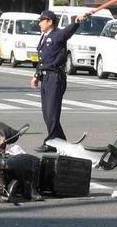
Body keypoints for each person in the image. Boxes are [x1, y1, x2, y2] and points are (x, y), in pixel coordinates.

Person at [31, 9, 88, 152]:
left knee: (52, 113)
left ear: (49, 21)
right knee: (47, 114)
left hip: (55, 78)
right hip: (46, 77)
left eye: (41, 21)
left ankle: (51, 142)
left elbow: (69, 31)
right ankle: (60, 142)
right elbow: (43, 59)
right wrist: (36, 76)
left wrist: (77, 22)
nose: (39, 24)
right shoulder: (44, 36)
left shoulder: (58, 35)